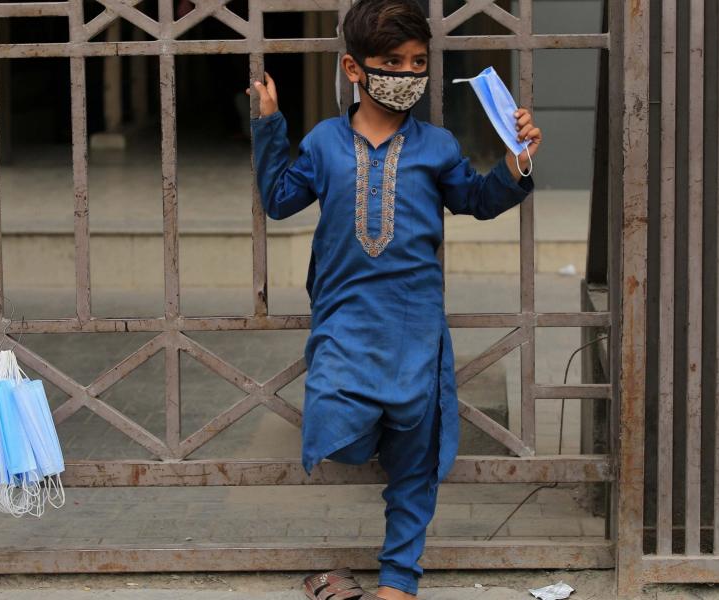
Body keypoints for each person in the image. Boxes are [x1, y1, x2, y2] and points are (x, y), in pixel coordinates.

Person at [246, 1, 541, 597]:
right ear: (355, 70)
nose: (406, 75)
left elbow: (477, 200)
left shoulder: (436, 145)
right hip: (344, 323)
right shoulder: (325, 142)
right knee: (340, 429)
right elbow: (279, 200)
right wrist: (269, 124)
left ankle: (398, 580)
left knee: (416, 458)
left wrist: (516, 162)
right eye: (392, 63)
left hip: (415, 325)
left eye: (417, 63)